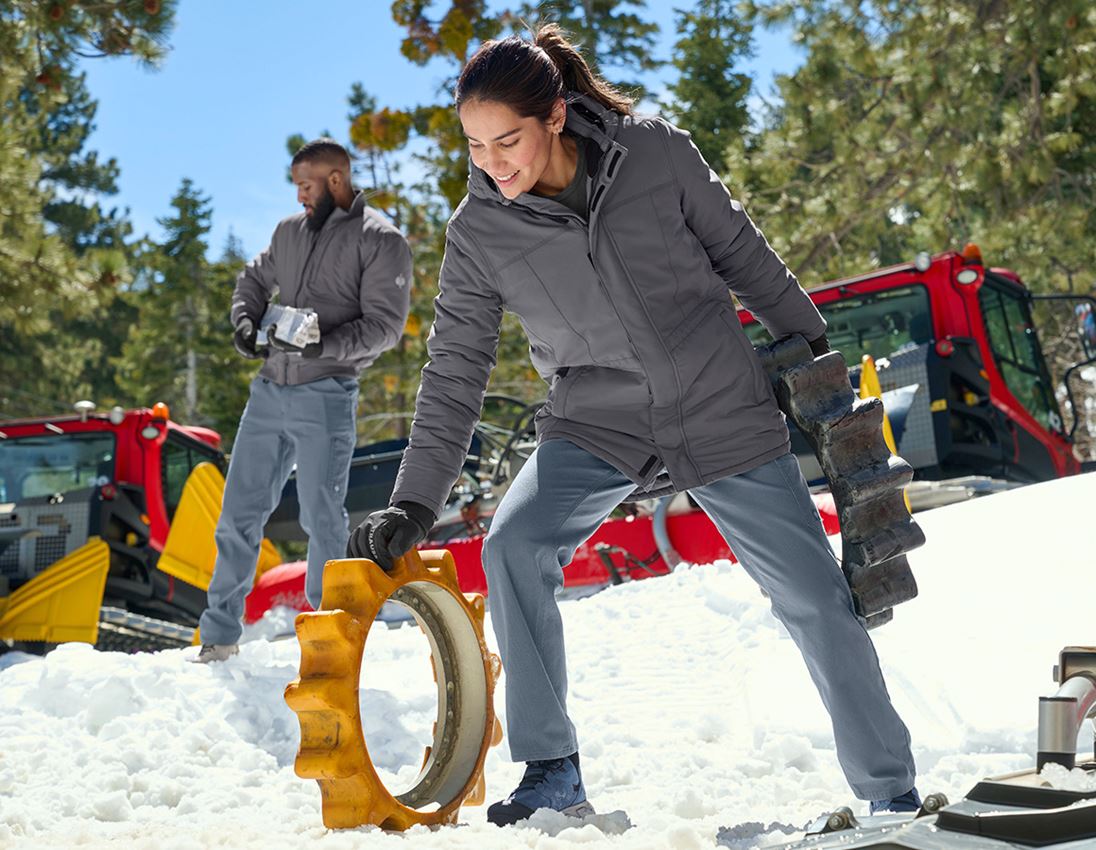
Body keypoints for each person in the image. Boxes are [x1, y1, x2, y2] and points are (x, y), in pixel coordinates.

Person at [346, 27, 919, 824]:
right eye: (475, 146)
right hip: (596, 418)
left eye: (507, 140)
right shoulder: (478, 233)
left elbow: (743, 256)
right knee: (514, 544)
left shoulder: (653, 153)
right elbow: (455, 371)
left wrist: (812, 352)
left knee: (814, 596)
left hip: (717, 401)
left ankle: (890, 790)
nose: (493, 162)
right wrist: (415, 501)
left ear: (554, 116)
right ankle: (551, 771)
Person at [192, 139, 412, 663]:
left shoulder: (380, 240)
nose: (300, 197)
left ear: (336, 180)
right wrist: (244, 320)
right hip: (269, 391)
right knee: (237, 515)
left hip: (327, 393)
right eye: (296, 187)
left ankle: (328, 642)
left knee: (322, 518)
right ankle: (218, 638)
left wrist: (323, 345)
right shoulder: (288, 232)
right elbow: (253, 278)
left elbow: (385, 326)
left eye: (307, 186)